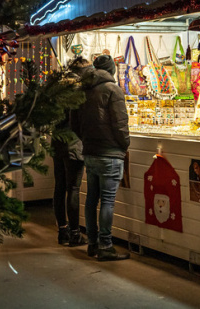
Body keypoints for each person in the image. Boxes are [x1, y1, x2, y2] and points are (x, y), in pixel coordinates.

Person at [73, 54, 130, 261]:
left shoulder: (83, 90)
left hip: (90, 152)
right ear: (112, 70)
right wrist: (124, 145)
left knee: (91, 199)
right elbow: (120, 124)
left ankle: (92, 243)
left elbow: (74, 123)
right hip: (110, 153)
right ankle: (105, 245)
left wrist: (86, 141)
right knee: (107, 200)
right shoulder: (113, 90)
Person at [51, 57, 90, 247]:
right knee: (73, 188)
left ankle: (62, 231)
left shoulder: (59, 88)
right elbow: (79, 119)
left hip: (57, 141)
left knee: (59, 187)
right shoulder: (78, 89)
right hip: (73, 143)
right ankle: (75, 233)